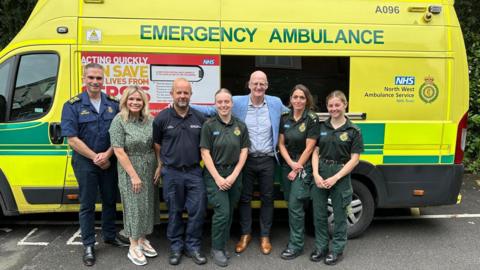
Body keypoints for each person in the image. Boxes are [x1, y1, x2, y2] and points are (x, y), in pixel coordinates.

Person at [192, 70, 288, 255]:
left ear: (267, 86)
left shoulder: (275, 102)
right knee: (244, 198)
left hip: (268, 158)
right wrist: (187, 105)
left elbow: (294, 111)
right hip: (246, 159)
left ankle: (265, 235)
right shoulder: (237, 101)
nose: (258, 87)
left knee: (268, 198)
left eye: (262, 84)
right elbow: (212, 109)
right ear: (249, 84)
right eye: (255, 83)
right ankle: (245, 234)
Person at [60, 63, 128, 267]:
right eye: (91, 78)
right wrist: (95, 157)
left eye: (99, 78)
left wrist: (106, 155)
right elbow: (72, 139)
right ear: (84, 79)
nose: (95, 81)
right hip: (85, 162)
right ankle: (89, 244)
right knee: (87, 204)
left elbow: (119, 134)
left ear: (103, 79)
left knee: (109, 200)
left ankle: (109, 235)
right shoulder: (72, 105)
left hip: (109, 160)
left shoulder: (114, 104)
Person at [152, 78, 207, 266]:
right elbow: (157, 144)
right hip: (172, 173)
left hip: (194, 172)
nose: (182, 96)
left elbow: (206, 146)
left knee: (197, 211)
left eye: (186, 92)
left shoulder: (199, 118)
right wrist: (162, 165)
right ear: (172, 94)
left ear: (191, 95)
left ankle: (193, 246)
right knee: (174, 211)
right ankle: (176, 247)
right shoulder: (162, 118)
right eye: (179, 92)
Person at [310, 90, 363, 265]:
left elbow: (355, 159)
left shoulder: (354, 131)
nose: (334, 108)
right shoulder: (322, 127)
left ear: (345, 105)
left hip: (341, 173)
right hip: (321, 170)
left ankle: (337, 250)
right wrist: (316, 174)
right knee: (319, 214)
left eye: (337, 105)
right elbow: (315, 152)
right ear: (327, 107)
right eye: (331, 105)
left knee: (340, 215)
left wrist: (336, 177)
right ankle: (321, 247)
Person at [109, 86, 159, 266]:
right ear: (125, 101)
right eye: (131, 99)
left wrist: (159, 165)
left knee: (147, 204)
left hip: (149, 165)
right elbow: (118, 150)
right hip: (130, 168)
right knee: (134, 206)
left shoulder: (149, 120)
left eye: (139, 100)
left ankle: (143, 239)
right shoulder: (119, 121)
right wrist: (133, 176)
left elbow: (156, 145)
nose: (135, 102)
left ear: (144, 102)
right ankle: (133, 246)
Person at [200, 88, 250, 267]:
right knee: (223, 212)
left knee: (229, 211)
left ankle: (222, 244)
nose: (223, 105)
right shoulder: (209, 125)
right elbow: (205, 153)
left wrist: (235, 174)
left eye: (226, 102)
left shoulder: (240, 125)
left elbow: (244, 151)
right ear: (215, 104)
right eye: (220, 102)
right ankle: (216, 249)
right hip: (215, 174)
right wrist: (218, 178)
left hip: (235, 174)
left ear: (232, 104)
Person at [278, 84, 319, 260]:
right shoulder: (284, 117)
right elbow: (280, 144)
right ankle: (296, 238)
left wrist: (297, 167)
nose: (298, 100)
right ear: (291, 100)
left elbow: (310, 148)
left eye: (302, 97)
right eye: (295, 97)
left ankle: (296, 245)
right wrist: (290, 164)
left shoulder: (312, 118)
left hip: (304, 166)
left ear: (307, 100)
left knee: (295, 204)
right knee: (291, 202)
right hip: (288, 164)